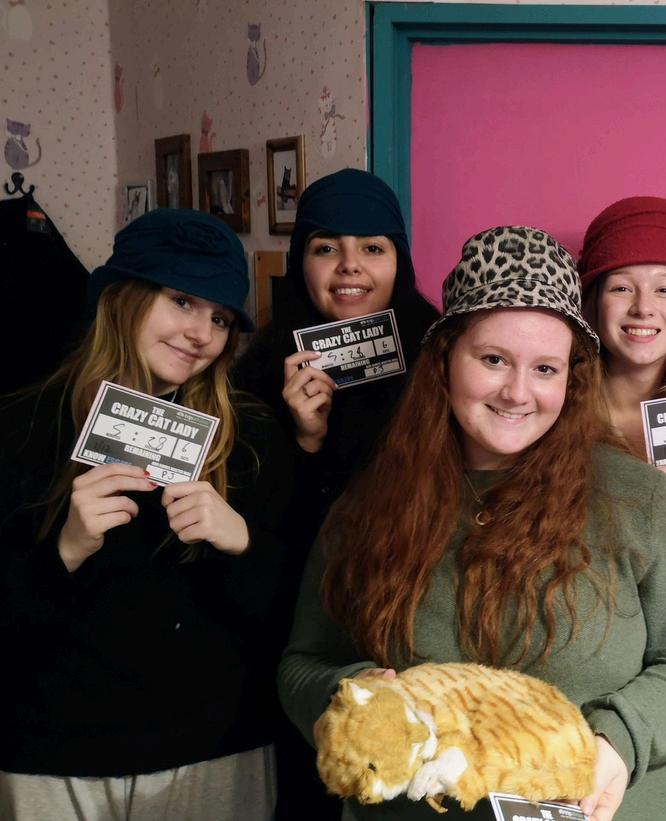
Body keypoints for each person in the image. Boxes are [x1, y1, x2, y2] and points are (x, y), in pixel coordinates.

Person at [278, 225, 666, 821]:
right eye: (494, 360)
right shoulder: (370, 501)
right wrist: (348, 700)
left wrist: (620, 739)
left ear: (571, 379)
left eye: (546, 369)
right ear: (445, 360)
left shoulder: (641, 501)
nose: (517, 392)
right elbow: (305, 661)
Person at [0, 209, 293, 820]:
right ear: (123, 296)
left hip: (214, 749)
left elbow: (295, 619)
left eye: (220, 318)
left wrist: (244, 544)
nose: (201, 333)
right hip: (53, 754)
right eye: (182, 301)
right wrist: (64, 551)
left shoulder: (251, 435)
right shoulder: (23, 425)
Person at [233, 168, 439, 818]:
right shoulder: (259, 372)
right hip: (300, 639)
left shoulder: (443, 356)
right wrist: (306, 439)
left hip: (415, 631)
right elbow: (255, 535)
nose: (350, 265)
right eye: (327, 247)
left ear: (399, 261)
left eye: (372, 247)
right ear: (301, 263)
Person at [578, 196, 666, 499]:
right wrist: (644, 503)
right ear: (595, 304)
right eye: (622, 288)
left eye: (664, 289)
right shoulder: (552, 407)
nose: (643, 308)